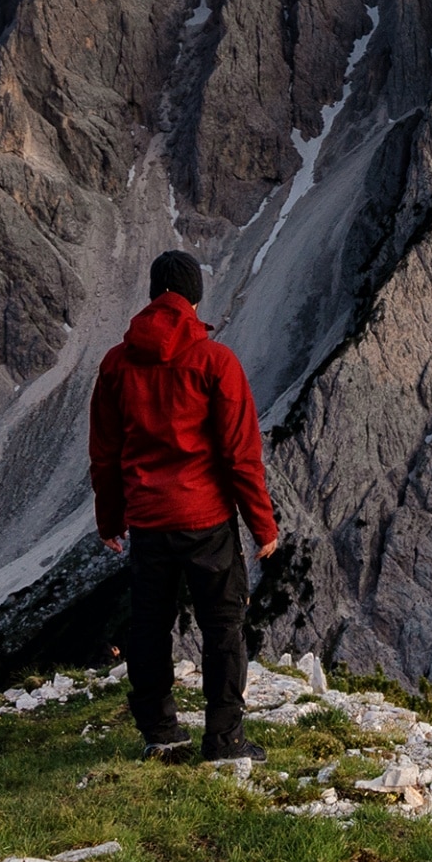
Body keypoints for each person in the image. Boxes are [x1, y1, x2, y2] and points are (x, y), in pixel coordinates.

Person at [88, 249, 279, 761]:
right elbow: (241, 455)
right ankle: (224, 740)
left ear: (152, 296)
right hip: (208, 521)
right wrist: (263, 525)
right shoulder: (216, 362)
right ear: (195, 298)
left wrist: (110, 519)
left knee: (150, 627)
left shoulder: (115, 365)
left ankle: (160, 734)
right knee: (223, 628)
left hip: (149, 523)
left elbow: (105, 455)